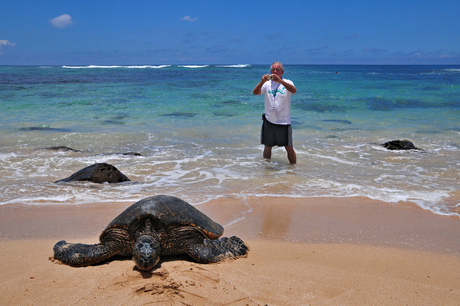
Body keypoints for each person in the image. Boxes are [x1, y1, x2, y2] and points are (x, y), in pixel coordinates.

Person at [252, 61, 297, 164]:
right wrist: (262, 82)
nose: (275, 71)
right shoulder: (267, 84)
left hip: (284, 122)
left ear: (282, 71)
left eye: (277, 70)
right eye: (273, 70)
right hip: (269, 120)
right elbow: (255, 92)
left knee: (289, 148)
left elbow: (293, 91)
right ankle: (267, 169)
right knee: (267, 147)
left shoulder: (288, 82)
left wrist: (281, 82)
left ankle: (293, 170)